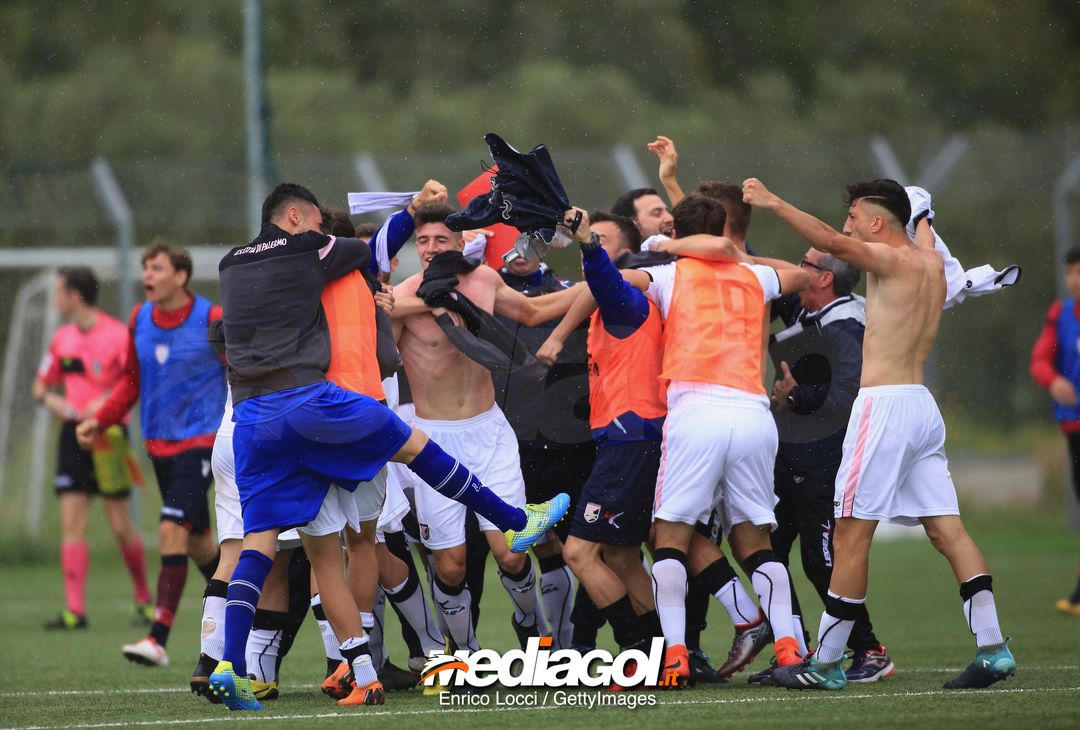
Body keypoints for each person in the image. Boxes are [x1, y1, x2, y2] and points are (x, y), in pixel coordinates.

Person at [207, 184, 568, 711]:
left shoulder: (232, 262)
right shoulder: (316, 256)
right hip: (315, 403)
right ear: (294, 217)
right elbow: (370, 259)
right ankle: (516, 520)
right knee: (411, 452)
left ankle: (231, 666)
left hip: (251, 418)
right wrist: (412, 210)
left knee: (261, 545)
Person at [743, 176, 1016, 690]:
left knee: (849, 534)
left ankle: (824, 664)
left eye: (853, 217)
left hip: (884, 408)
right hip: (920, 409)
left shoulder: (892, 260)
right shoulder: (931, 260)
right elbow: (919, 232)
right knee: (946, 530)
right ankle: (993, 647)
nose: (846, 225)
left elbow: (828, 242)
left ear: (876, 222)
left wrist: (773, 201)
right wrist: (924, 212)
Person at [617, 194, 809, 684]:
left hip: (696, 410)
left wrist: (666, 246)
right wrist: (736, 256)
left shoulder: (669, 274)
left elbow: (617, 281)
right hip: (752, 413)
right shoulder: (755, 275)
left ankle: (676, 655)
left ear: (680, 235)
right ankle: (788, 647)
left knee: (669, 539)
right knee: (756, 542)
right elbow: (803, 275)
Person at [390, 202, 581, 655]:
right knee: (451, 567)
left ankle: (532, 628)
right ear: (415, 248)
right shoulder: (400, 298)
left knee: (513, 551)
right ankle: (467, 654)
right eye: (424, 240)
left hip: (489, 432)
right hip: (433, 441)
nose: (432, 247)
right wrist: (393, 307)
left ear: (461, 243)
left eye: (441, 239)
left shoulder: (484, 281)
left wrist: (598, 280)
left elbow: (534, 313)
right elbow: (378, 362)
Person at [77, 244, 225, 668]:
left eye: (156, 267)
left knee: (170, 528)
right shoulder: (140, 317)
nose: (147, 274)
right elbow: (130, 381)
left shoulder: (212, 318)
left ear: (180, 276)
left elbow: (238, 373)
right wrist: (99, 420)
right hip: (159, 447)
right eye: (144, 267)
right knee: (197, 542)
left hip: (202, 444)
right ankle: (244, 609)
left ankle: (157, 637)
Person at [754, 248, 894, 684]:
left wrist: (796, 395)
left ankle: (870, 650)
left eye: (806, 262)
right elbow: (760, 270)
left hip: (822, 461)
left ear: (823, 279)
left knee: (820, 561)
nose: (797, 266)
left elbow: (851, 395)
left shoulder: (846, 324)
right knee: (766, 553)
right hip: (791, 456)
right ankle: (791, 649)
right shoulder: (814, 309)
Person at [34, 266, 152, 630]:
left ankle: (144, 600)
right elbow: (40, 389)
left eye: (59, 291)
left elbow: (131, 383)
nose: (56, 298)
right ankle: (75, 611)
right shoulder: (61, 340)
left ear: (75, 295)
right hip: (73, 437)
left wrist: (101, 403)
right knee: (72, 524)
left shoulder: (117, 336)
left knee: (119, 525)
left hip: (108, 436)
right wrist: (64, 407)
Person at [494, 250, 595, 650]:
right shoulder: (483, 291)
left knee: (582, 548)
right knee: (525, 547)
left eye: (530, 237)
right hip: (509, 442)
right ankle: (541, 642)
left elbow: (598, 288)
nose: (519, 247)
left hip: (572, 441)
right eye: (512, 236)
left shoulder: (571, 289)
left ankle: (576, 647)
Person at [1029, 244, 1080, 616]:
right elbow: (1040, 360)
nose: (1074, 280)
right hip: (1074, 425)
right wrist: (1054, 381)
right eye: (1071, 273)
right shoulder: (1060, 314)